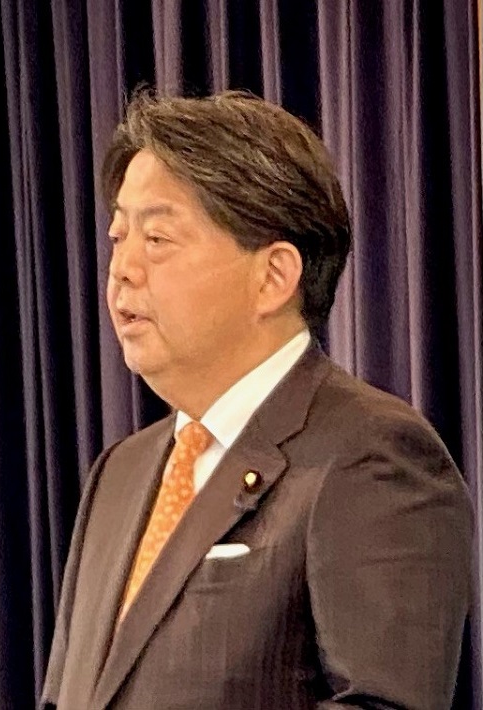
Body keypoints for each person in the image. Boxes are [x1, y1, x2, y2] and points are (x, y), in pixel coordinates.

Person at [41, 90, 472, 709]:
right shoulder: (120, 471)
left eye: (157, 238)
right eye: (118, 235)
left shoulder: (371, 454)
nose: (122, 269)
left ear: (273, 276)